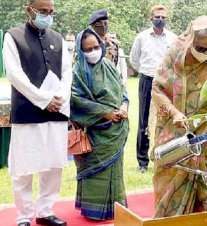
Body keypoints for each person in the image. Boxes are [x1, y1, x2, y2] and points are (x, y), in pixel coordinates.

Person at [151, 16, 207, 218]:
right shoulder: (175, 55)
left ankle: (202, 219)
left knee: (204, 177)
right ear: (191, 40)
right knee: (170, 172)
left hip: (206, 131)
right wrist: (174, 112)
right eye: (200, 49)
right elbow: (158, 88)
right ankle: (167, 221)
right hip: (175, 128)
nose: (204, 54)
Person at [3, 0, 72, 225]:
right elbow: (15, 75)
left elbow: (66, 72)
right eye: (43, 11)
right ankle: (23, 216)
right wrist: (43, 100)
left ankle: (45, 211)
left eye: (51, 12)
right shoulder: (13, 37)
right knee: (24, 166)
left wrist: (58, 98)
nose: (48, 15)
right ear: (29, 10)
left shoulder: (58, 38)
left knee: (53, 164)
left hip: (56, 110)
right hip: (27, 111)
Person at [70, 28, 129, 220]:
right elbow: (76, 99)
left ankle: (114, 208)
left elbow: (122, 90)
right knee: (97, 172)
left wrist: (123, 107)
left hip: (116, 130)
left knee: (115, 171)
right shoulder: (78, 70)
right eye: (88, 49)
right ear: (80, 50)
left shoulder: (109, 65)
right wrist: (105, 114)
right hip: (95, 132)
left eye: (96, 47)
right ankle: (94, 210)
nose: (93, 51)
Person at [129, 4, 177, 173]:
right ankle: (142, 162)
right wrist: (147, 72)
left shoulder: (173, 38)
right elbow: (134, 60)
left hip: (166, 84)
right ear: (151, 18)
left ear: (167, 19)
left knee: (165, 120)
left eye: (163, 17)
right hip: (147, 81)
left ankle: (165, 157)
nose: (160, 20)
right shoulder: (142, 37)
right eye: (157, 17)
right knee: (144, 121)